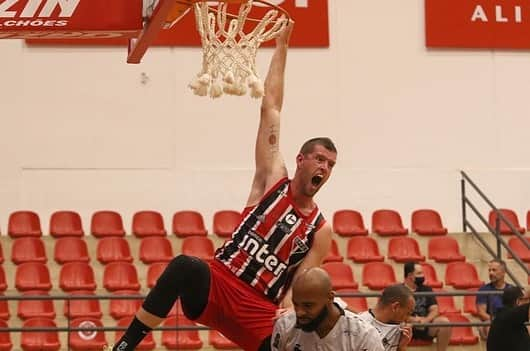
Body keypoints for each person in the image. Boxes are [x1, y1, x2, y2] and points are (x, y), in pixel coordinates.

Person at [111, 22, 338, 351]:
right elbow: (271, 107)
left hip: (259, 310)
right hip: (219, 282)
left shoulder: (320, 229)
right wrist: (282, 46)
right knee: (184, 266)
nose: (325, 168)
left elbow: (299, 283)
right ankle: (124, 347)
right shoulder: (273, 178)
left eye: (330, 164)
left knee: (292, 340)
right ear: (301, 159)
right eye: (319, 159)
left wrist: (288, 313)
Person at [271, 267, 385, 351]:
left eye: (308, 305)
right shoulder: (285, 325)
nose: (299, 312)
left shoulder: (364, 335)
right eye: (295, 304)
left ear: (330, 298)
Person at [403, 262, 451, 351]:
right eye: (419, 273)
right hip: (406, 326)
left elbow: (434, 310)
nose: (422, 276)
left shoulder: (427, 289)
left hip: (424, 325)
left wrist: (425, 320)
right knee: (398, 325)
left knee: (444, 322)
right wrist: (411, 320)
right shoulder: (398, 290)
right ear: (410, 275)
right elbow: (394, 313)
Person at [358, 284, 415, 351]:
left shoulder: (401, 330)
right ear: (395, 307)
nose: (408, 319)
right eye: (408, 313)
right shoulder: (358, 325)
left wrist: (402, 347)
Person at [476, 258, 514, 338]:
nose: (491, 273)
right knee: (491, 327)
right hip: (491, 321)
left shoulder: (512, 290)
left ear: (503, 272)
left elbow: (519, 309)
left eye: (494, 270)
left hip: (509, 321)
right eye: (489, 270)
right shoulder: (484, 289)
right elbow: (481, 313)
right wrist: (498, 320)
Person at [486, 285, 530, 351]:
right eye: (526, 300)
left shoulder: (505, 317)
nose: (528, 302)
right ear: (518, 301)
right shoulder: (510, 316)